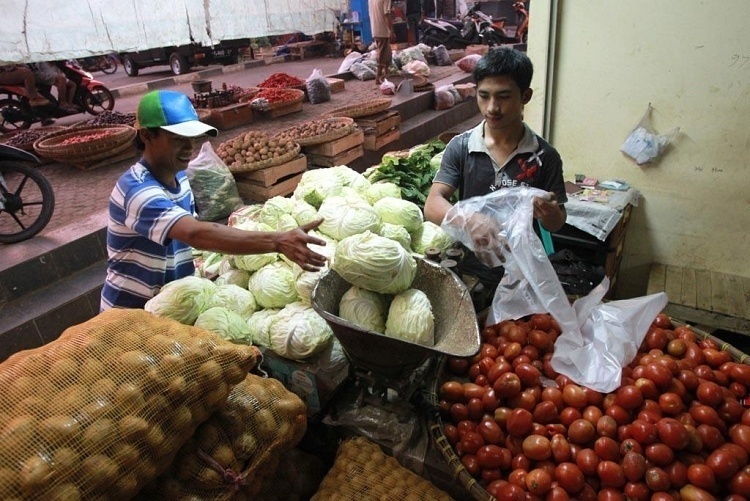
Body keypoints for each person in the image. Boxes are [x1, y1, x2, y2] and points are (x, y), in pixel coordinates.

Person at [100, 90, 327, 311]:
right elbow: (195, 234)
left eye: (193, 138)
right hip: (130, 312)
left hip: (170, 304)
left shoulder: (180, 176)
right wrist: (278, 241)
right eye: (178, 139)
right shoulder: (136, 190)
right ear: (147, 136)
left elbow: (188, 238)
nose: (189, 147)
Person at [424, 47, 567, 293]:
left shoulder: (545, 156)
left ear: (526, 96)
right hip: (469, 270)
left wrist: (549, 212)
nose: (492, 107)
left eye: (503, 96)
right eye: (484, 95)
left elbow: (556, 224)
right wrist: (469, 220)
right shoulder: (462, 146)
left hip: (522, 272)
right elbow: (433, 205)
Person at [369, 0, 393, 85]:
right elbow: (386, 15)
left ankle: (387, 75)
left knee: (388, 53)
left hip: (375, 29)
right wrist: (391, 30)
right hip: (383, 30)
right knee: (383, 55)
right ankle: (378, 78)